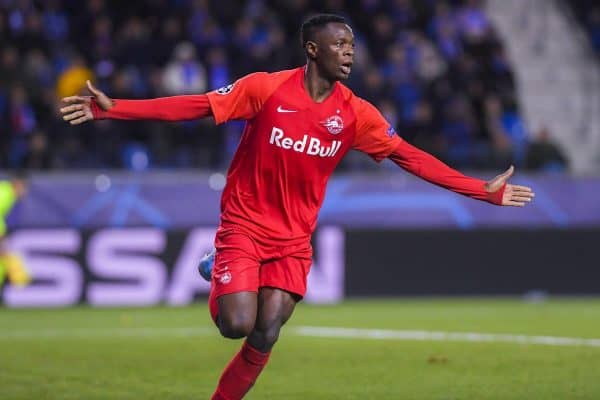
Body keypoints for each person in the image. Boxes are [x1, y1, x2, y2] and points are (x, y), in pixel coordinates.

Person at [60, 14, 535, 400]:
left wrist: (481, 190)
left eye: (352, 44)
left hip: (293, 240)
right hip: (244, 226)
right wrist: (114, 107)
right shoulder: (265, 90)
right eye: (340, 44)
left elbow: (408, 156)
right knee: (236, 324)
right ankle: (216, 263)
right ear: (313, 49)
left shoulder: (356, 114)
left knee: (267, 332)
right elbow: (197, 106)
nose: (350, 52)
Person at [0, 173, 30, 287]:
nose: (25, 192)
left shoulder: (7, 193)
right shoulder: (4, 194)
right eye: (24, 187)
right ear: (17, 184)